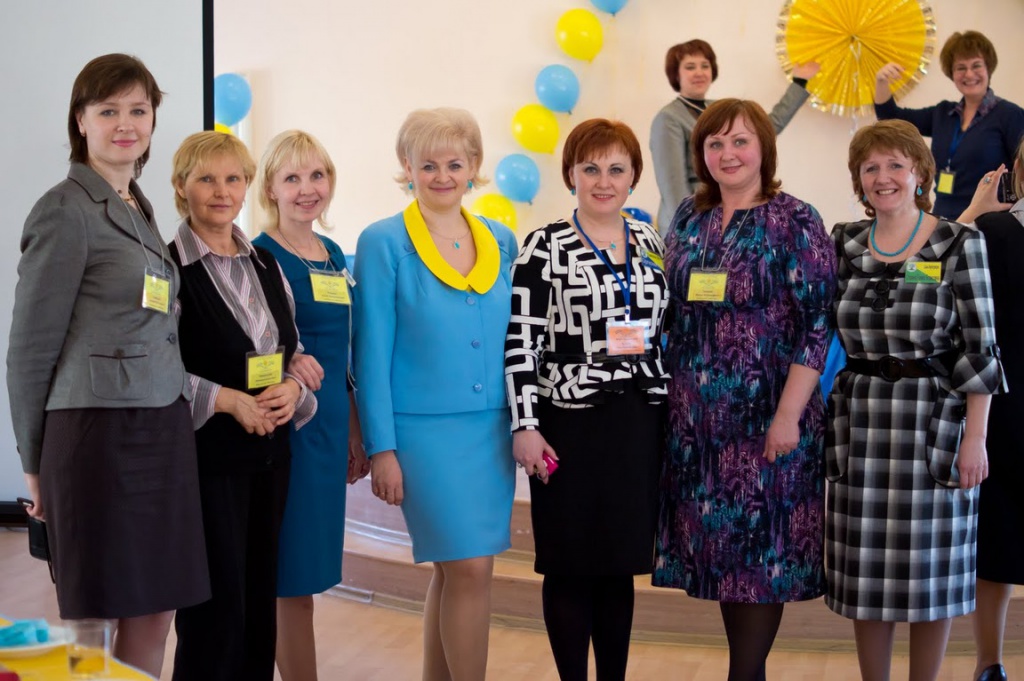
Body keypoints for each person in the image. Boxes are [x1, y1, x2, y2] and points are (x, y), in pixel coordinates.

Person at [5, 53, 208, 677]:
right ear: (81, 120)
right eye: (108, 110)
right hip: (95, 435)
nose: (126, 124)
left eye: (138, 110)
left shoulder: (138, 205)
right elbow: (30, 349)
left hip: (161, 426)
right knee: (95, 618)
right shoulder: (64, 209)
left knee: (157, 609)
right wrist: (34, 465)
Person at [653, 99, 836, 681]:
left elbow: (817, 325)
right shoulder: (689, 216)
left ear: (763, 148)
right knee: (724, 560)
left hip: (770, 419)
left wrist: (788, 415)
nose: (727, 154)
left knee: (761, 560)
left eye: (739, 141)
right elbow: (668, 309)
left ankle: (746, 674)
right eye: (714, 143)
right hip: (697, 422)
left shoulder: (795, 218)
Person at [825, 119, 1005, 681]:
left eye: (895, 165)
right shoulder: (844, 242)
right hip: (859, 426)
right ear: (858, 178)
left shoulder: (960, 243)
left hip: (934, 425)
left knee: (934, 577)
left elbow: (980, 347)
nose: (883, 177)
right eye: (871, 167)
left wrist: (976, 438)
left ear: (920, 173)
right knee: (864, 577)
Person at [352, 108, 518, 681]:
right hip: (422, 435)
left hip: (491, 430)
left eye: (454, 163)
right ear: (407, 167)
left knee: (457, 571)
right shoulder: (382, 242)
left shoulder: (502, 240)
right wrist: (382, 448)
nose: (442, 176)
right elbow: (370, 353)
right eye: (428, 165)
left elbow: (518, 342)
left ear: (474, 166)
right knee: (470, 568)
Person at [504, 119, 668, 681]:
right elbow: (521, 341)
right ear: (571, 174)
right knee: (570, 565)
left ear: (633, 176)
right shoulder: (543, 245)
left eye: (616, 169)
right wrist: (525, 425)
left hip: (636, 423)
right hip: (567, 424)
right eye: (590, 168)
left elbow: (663, 327)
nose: (603, 181)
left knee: (620, 566)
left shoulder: (650, 241)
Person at [168, 131, 317, 681]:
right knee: (215, 610)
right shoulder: (166, 269)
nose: (221, 191)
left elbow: (293, 352)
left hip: (271, 458)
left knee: (258, 603)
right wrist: (227, 400)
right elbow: (153, 369)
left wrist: (295, 388)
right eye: (206, 179)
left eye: (233, 178)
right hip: (205, 462)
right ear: (181, 186)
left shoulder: (265, 264)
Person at [251, 129, 368, 681]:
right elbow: (248, 348)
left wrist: (355, 430)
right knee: (290, 581)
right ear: (270, 188)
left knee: (311, 576)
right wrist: (286, 361)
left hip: (331, 430)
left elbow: (343, 353)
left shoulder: (334, 255)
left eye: (317, 175)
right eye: (292, 177)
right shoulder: (259, 256)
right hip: (288, 432)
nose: (307, 188)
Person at [955, 144, 1024, 681]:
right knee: (997, 542)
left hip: (1002, 403)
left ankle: (991, 664)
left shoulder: (996, 230)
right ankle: (989, 663)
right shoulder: (994, 231)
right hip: (1001, 407)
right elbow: (925, 273)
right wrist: (973, 213)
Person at [650, 39, 820, 233]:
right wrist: (690, 228)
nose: (699, 72)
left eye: (705, 66)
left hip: (725, 216)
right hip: (689, 225)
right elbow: (673, 186)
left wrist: (799, 82)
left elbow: (767, 129)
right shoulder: (668, 118)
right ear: (675, 74)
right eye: (690, 67)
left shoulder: (718, 109)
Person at [874, 30, 1024, 219]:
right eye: (961, 68)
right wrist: (881, 81)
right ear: (951, 73)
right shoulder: (943, 113)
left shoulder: (1010, 115)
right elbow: (890, 119)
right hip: (945, 219)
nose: (969, 74)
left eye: (976, 65)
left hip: (990, 221)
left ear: (989, 68)